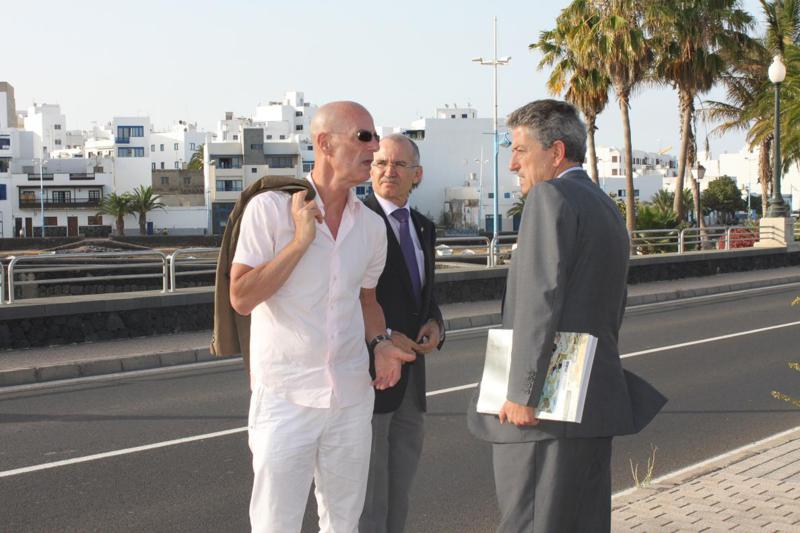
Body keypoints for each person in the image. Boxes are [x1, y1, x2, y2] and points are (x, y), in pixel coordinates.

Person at [467, 99, 666, 533]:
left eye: (521, 151)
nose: (513, 164)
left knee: (532, 521)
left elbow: (540, 301)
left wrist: (523, 392)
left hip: (546, 414)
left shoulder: (550, 196)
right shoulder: (604, 205)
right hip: (590, 403)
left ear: (556, 152)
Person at [230, 101, 415, 533]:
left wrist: (380, 344)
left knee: (343, 522)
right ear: (325, 144)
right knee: (275, 524)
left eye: (375, 137)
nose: (374, 147)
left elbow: (366, 302)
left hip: (350, 396)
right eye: (363, 136)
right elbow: (241, 297)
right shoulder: (270, 209)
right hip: (285, 396)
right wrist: (300, 241)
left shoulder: (371, 227)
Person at [359, 134, 445, 533]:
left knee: (400, 488)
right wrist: (386, 335)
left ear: (417, 174)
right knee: (369, 494)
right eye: (380, 163)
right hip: (371, 376)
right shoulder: (357, 222)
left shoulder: (424, 227)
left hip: (412, 383)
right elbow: (345, 297)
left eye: (398, 165)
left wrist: (436, 324)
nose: (388, 171)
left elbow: (425, 294)